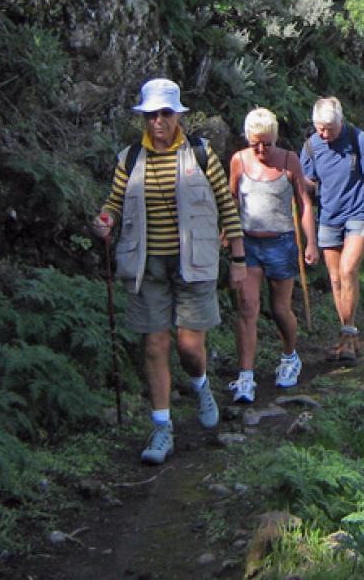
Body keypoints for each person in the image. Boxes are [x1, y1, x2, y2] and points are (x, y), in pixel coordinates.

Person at [92, 78, 246, 465]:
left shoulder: (200, 154)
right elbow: (114, 201)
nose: (157, 121)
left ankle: (200, 384)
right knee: (154, 344)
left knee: (190, 347)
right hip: (146, 265)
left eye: (165, 113)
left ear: (178, 115)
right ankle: (161, 428)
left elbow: (226, 205)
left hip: (194, 263)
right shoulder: (130, 158)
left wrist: (239, 259)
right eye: (150, 114)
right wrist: (105, 219)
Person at [227, 108, 319, 404]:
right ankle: (245, 376)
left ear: (275, 138)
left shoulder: (289, 160)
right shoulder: (238, 161)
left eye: (266, 143)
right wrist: (226, 234)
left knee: (280, 309)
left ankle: (290, 356)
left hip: (281, 242)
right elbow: (230, 201)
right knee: (247, 308)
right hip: (247, 243)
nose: (261, 149)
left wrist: (310, 243)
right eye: (255, 142)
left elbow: (303, 202)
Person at [299, 96, 364, 361]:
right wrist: (296, 181)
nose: (324, 135)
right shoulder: (311, 146)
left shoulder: (360, 140)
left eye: (329, 130)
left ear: (341, 122)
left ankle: (347, 334)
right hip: (328, 216)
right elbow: (310, 184)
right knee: (336, 279)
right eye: (320, 129)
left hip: (359, 212)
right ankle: (349, 332)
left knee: (348, 269)